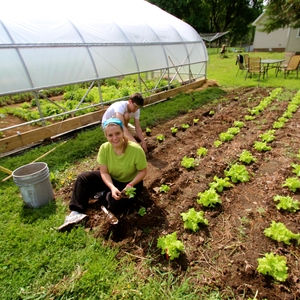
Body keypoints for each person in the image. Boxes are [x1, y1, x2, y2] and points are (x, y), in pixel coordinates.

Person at [58, 118, 148, 231]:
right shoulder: (104, 148)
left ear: (123, 132)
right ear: (106, 136)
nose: (114, 138)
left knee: (114, 204)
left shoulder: (135, 150)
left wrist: (130, 184)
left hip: (131, 183)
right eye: (110, 135)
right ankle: (76, 213)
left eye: (117, 133)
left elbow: (143, 171)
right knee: (83, 178)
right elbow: (104, 172)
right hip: (112, 179)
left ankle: (103, 194)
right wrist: (112, 187)